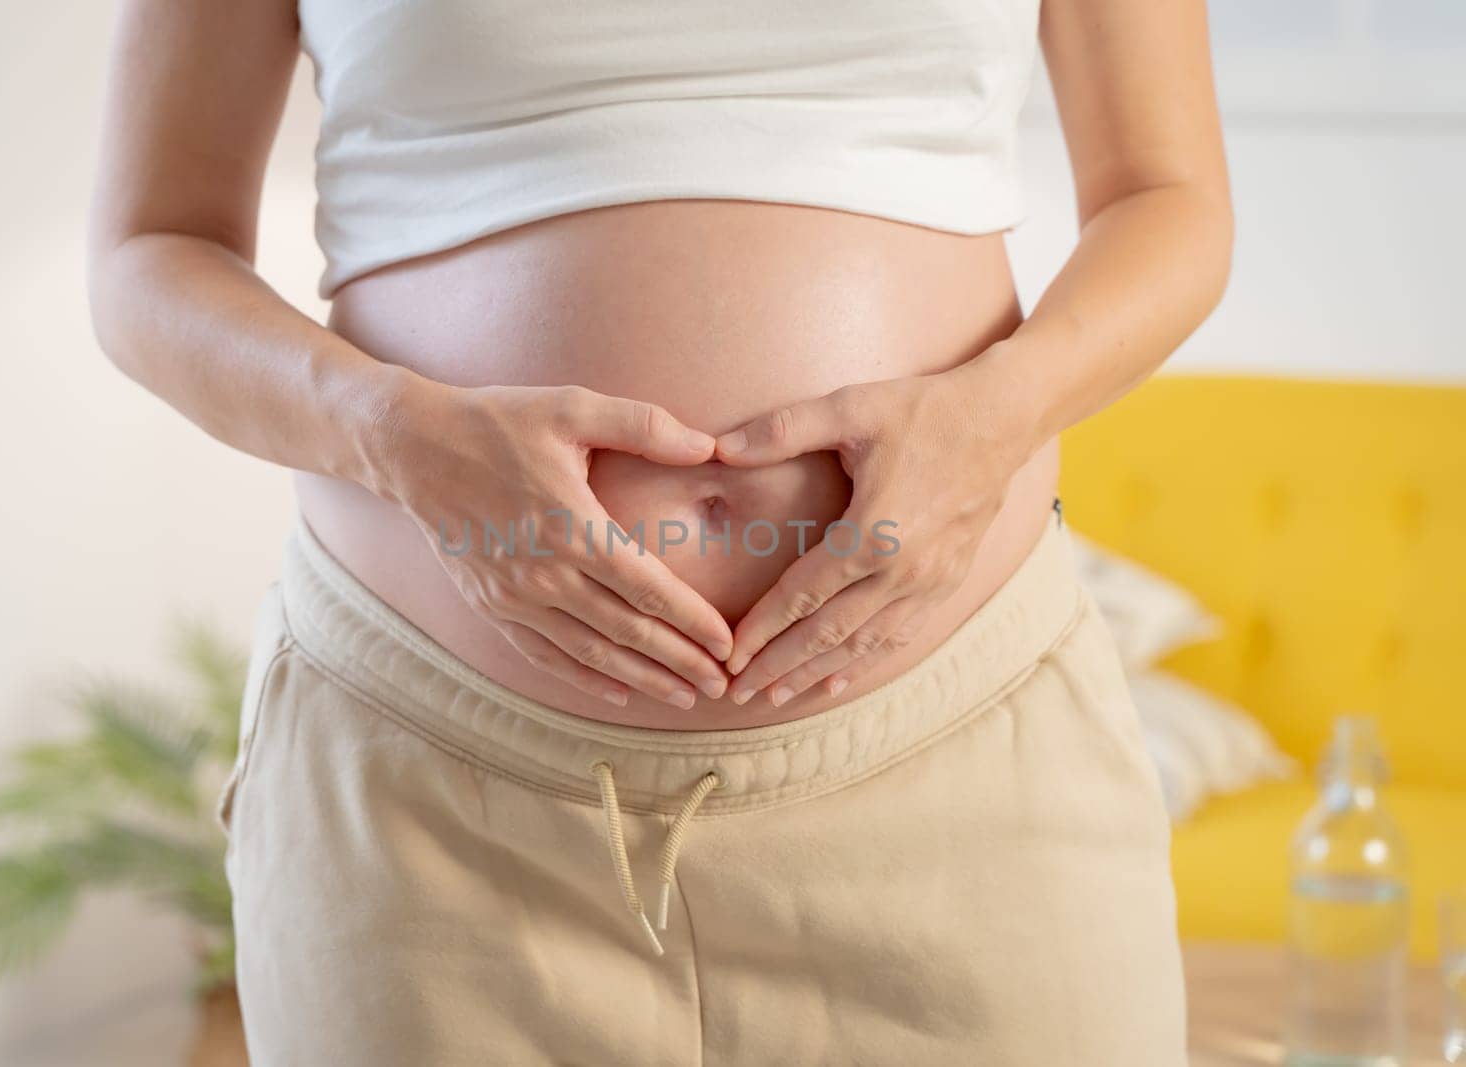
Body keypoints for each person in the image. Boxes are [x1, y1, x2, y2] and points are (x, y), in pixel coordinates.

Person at [87, 0, 1231, 1062]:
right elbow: (150, 253)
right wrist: (392, 431)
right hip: (433, 803)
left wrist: (1001, 412)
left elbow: (1166, 196)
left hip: (963, 785)